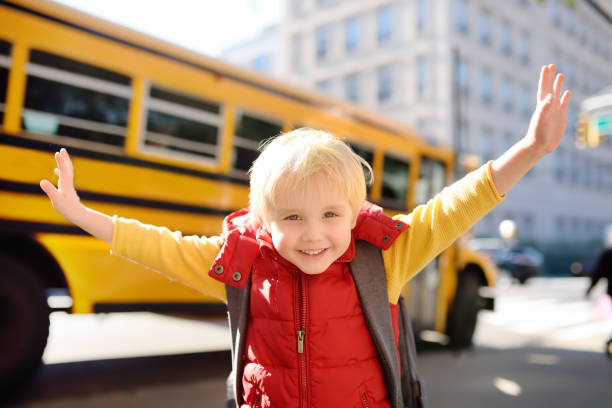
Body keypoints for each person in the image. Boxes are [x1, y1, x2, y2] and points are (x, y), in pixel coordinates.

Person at [40, 65, 570, 407]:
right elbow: (159, 245)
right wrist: (82, 214)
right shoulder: (243, 262)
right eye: (292, 218)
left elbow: (456, 204)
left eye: (332, 216)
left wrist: (531, 149)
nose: (314, 235)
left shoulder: (382, 257)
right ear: (263, 218)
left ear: (356, 210)